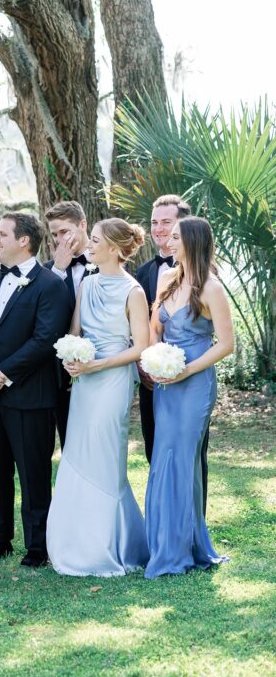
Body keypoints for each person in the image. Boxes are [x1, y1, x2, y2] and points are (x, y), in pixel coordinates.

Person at [47, 218, 150, 577]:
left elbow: (141, 347)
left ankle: (113, 545)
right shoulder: (87, 284)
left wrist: (98, 364)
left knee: (106, 457)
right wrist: (73, 357)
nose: (88, 245)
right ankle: (76, 542)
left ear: (115, 249)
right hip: (86, 383)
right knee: (78, 452)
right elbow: (75, 331)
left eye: (94, 240)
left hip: (113, 380)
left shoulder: (133, 292)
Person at [0, 213, 71, 566]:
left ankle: (38, 546)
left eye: (1, 234)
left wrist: (3, 374)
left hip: (30, 394)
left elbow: (46, 339)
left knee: (33, 472)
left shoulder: (49, 285)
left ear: (23, 240)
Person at [144, 216, 234, 579]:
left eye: (176, 235)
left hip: (195, 385)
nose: (168, 238)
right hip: (166, 383)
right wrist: (155, 360)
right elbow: (155, 328)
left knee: (183, 459)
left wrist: (187, 369)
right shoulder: (167, 279)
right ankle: (162, 543)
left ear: (193, 242)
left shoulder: (212, 288)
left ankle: (182, 549)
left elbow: (226, 345)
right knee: (163, 458)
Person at [134, 196, 211, 500]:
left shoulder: (207, 277)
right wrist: (146, 364)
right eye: (154, 222)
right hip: (152, 381)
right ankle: (165, 524)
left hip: (190, 378)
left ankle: (193, 526)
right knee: (157, 452)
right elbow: (140, 327)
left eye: (166, 222)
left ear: (183, 227)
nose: (159, 228)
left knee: (191, 456)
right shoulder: (142, 274)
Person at [43, 200, 93, 447]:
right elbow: (42, 314)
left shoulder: (106, 264)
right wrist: (58, 270)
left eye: (64, 232)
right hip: (58, 372)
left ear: (82, 225)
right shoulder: (47, 273)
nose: (59, 240)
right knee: (69, 443)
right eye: (54, 234)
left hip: (99, 365)